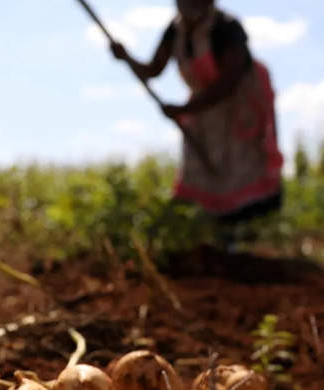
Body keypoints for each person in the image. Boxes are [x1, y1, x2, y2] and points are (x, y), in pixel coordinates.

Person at [111, 0, 284, 237]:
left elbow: (227, 83)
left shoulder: (226, 27)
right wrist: (126, 57)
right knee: (201, 169)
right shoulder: (175, 30)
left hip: (237, 106)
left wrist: (185, 109)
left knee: (238, 167)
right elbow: (153, 69)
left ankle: (242, 233)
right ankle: (208, 232)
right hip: (202, 109)